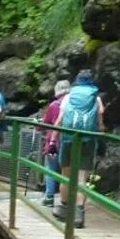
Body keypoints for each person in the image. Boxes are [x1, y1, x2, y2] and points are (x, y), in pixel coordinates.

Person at [53, 69, 105, 227]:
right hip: (87, 140)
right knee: (82, 178)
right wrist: (101, 137)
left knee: (66, 175)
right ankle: (79, 214)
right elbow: (101, 121)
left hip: (68, 139)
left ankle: (63, 208)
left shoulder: (69, 96)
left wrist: (52, 141)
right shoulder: (95, 98)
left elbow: (59, 121)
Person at [41, 80, 71, 208]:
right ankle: (67, 201)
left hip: (54, 142)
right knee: (68, 172)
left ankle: (49, 197)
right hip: (70, 142)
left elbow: (45, 123)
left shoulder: (54, 105)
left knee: (51, 168)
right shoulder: (73, 103)